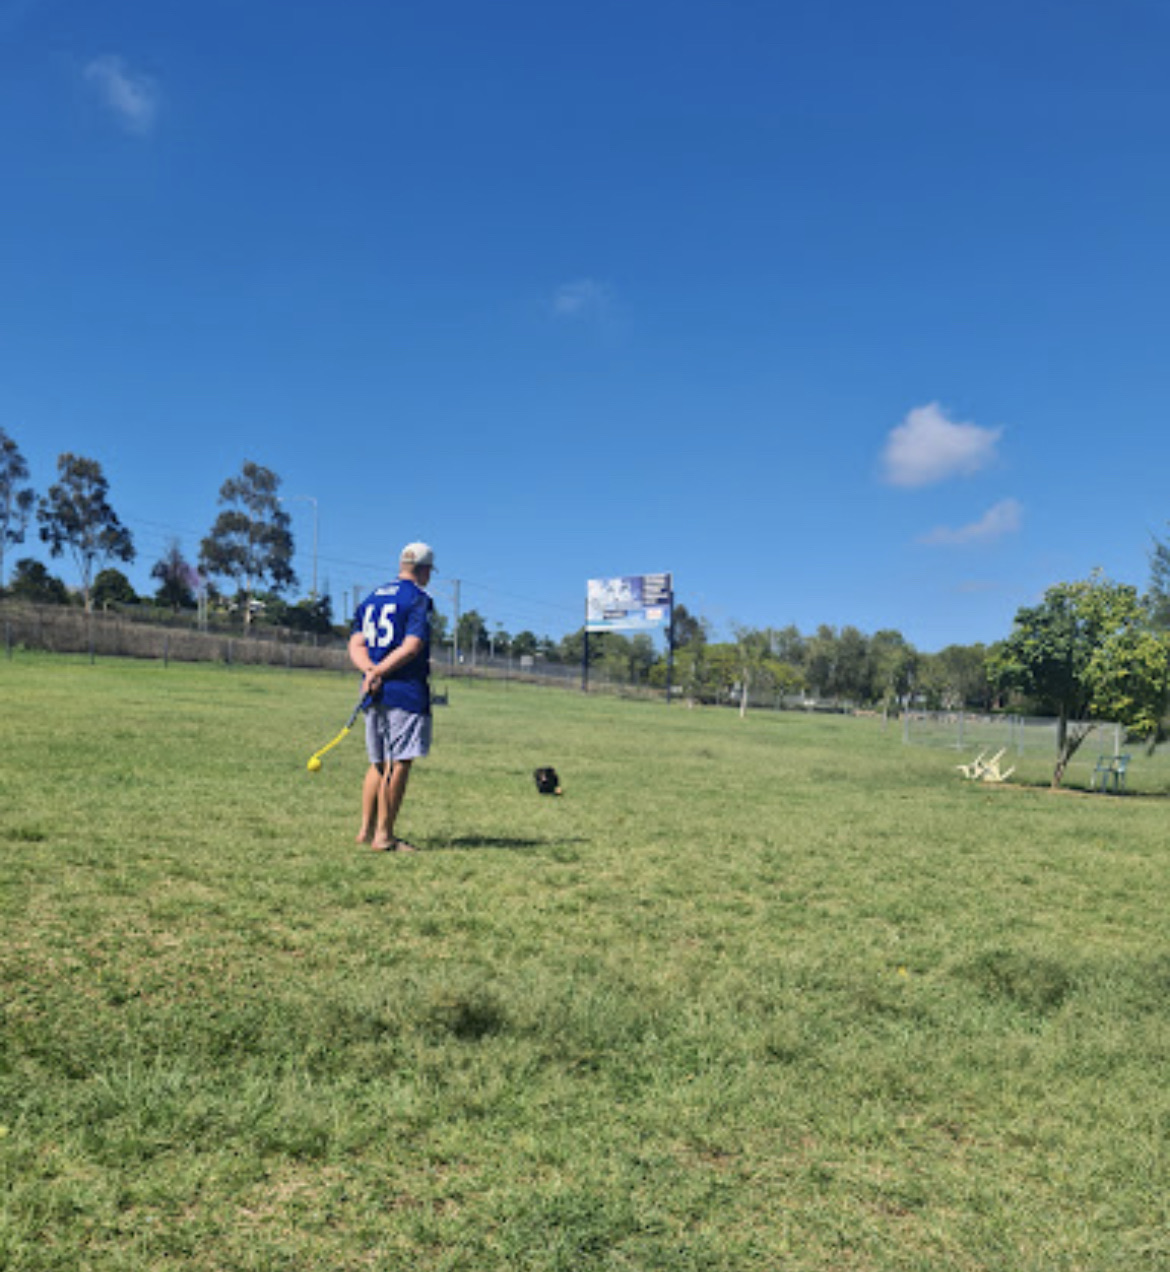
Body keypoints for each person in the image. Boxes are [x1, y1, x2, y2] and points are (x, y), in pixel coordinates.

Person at [347, 541, 436, 852]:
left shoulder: (372, 598)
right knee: (399, 763)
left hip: (374, 691)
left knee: (378, 763)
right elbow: (412, 646)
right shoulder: (418, 600)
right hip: (404, 691)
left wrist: (370, 671)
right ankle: (384, 836)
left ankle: (365, 830)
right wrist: (382, 671)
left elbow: (355, 644)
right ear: (424, 570)